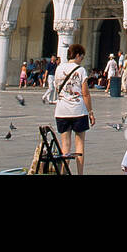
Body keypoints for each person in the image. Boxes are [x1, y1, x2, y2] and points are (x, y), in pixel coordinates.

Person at [53, 44, 93, 175]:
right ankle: (80, 173)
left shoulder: (59, 68)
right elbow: (85, 93)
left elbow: (56, 87)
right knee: (79, 145)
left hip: (61, 111)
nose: (82, 59)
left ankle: (64, 172)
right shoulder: (80, 70)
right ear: (77, 55)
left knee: (65, 146)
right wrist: (91, 112)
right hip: (78, 111)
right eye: (82, 56)